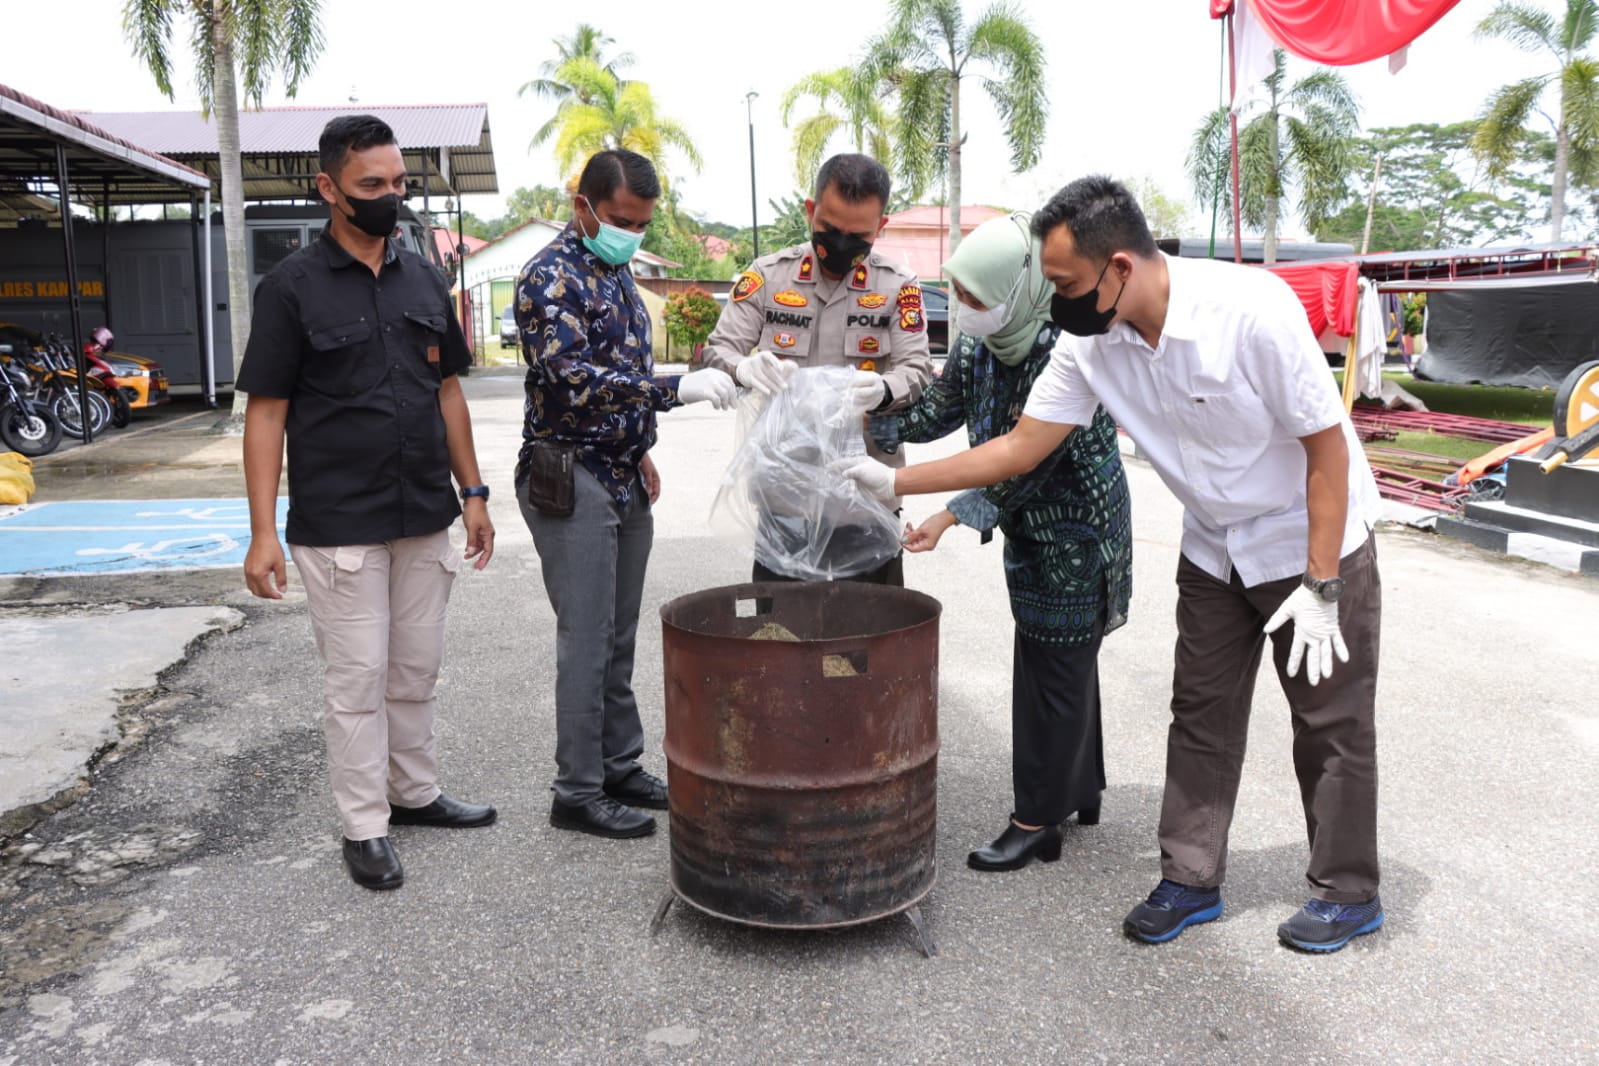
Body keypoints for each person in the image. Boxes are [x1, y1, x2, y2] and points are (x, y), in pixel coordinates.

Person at [839, 176, 1386, 953]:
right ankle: (1189, 877)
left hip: (1309, 537)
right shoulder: (1088, 341)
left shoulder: (1251, 311)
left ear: (1119, 267)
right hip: (1213, 546)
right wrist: (895, 479)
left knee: (1328, 722)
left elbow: (1324, 447)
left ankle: (1345, 890)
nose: (1055, 296)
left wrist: (1322, 580)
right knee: (1199, 713)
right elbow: (1020, 445)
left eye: (1064, 281)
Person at [239, 114, 497, 893]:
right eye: (371, 186)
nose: (390, 198)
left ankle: (413, 795)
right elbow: (266, 412)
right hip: (340, 523)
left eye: (398, 184)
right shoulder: (290, 288)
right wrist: (261, 534)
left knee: (415, 669)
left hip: (424, 512)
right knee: (356, 684)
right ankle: (364, 825)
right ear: (328, 189)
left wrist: (473, 492)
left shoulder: (424, 277)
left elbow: (446, 388)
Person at [872, 212, 1132, 872]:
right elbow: (934, 413)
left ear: (1019, 291)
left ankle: (1035, 821)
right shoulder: (981, 343)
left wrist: (943, 514)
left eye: (974, 298)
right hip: (1030, 528)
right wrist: (869, 400)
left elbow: (1022, 462)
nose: (962, 310)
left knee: (1055, 671)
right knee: (1058, 665)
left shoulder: (1064, 351)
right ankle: (1079, 792)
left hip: (1078, 529)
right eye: (956, 293)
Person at [515, 149, 737, 841]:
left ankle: (617, 765)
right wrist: (673, 386)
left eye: (640, 223)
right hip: (569, 471)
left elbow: (621, 371)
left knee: (616, 637)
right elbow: (569, 378)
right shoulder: (548, 278)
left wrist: (640, 444)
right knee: (584, 641)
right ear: (580, 205)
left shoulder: (613, 272)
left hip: (618, 469)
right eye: (618, 220)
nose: (630, 233)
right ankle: (575, 791)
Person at [701, 152, 933, 585]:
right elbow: (719, 351)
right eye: (830, 229)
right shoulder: (769, 277)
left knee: (867, 642)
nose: (842, 243)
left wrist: (883, 390)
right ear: (811, 211)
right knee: (782, 638)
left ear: (881, 227)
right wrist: (744, 369)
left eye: (858, 234)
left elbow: (916, 368)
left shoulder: (899, 286)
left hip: (863, 502)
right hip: (783, 501)